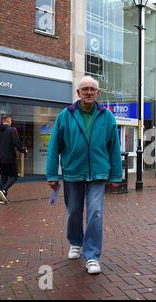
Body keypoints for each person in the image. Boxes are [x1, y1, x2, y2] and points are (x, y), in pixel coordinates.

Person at [46, 76, 122, 274]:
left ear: (98, 93)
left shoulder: (107, 117)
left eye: (93, 89)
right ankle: (75, 242)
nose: (89, 92)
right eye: (85, 89)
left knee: (95, 213)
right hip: (73, 171)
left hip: (98, 173)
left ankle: (92, 256)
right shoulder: (66, 115)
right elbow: (54, 146)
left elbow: (114, 147)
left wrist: (116, 176)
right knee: (73, 211)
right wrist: (52, 174)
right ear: (78, 93)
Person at [0, 114, 28, 204]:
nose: (11, 121)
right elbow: (16, 143)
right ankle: (4, 190)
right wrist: (23, 150)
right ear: (8, 120)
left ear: (2, 121)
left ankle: (2, 199)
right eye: (10, 119)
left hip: (0, 158)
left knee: (4, 178)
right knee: (14, 176)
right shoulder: (12, 130)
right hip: (9, 157)